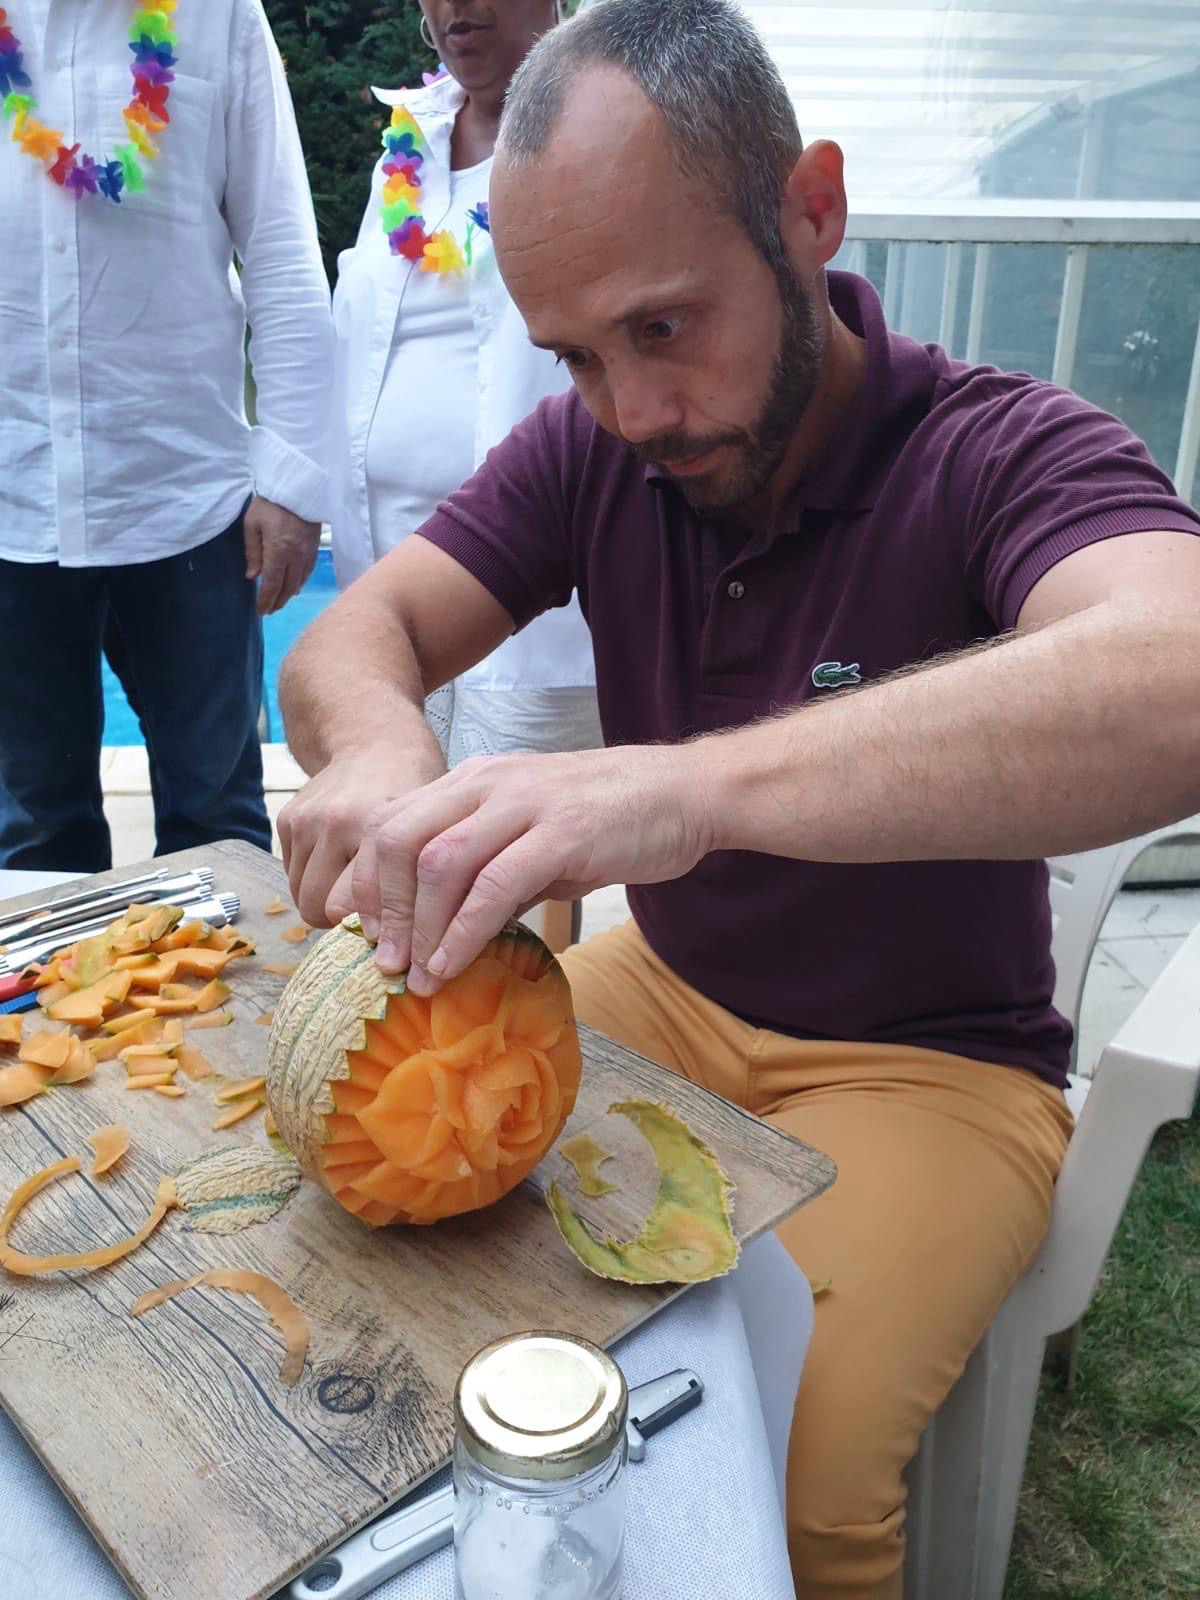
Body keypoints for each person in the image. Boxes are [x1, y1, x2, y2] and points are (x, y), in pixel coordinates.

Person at [276, 0, 1200, 1593]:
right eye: (574, 354)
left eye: (663, 327)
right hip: (661, 985)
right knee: (449, 1316)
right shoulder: (599, 452)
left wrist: (687, 794)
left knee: (789, 1461)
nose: (633, 410)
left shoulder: (992, 449)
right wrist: (376, 761)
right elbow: (364, 630)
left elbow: (1177, 671)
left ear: (810, 211)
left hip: (937, 1068)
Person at [0, 0, 332, 871]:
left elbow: (280, 247)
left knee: (218, 823)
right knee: (33, 829)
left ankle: (228, 1014)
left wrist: (291, 479)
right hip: (11, 498)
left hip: (186, 495)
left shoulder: (218, 15)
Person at [328, 0, 599, 923]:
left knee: (520, 865)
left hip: (525, 577)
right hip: (397, 560)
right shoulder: (409, 139)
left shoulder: (595, 117)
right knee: (407, 837)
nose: (454, 8)